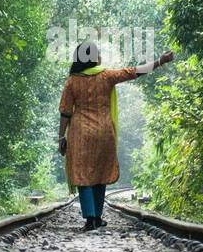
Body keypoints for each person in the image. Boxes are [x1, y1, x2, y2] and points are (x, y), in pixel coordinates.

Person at [58, 40, 174, 231]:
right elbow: (134, 72)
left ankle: (90, 218)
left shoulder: (72, 80)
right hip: (104, 131)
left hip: (79, 132)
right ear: (94, 57)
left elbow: (65, 112)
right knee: (100, 172)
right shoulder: (107, 76)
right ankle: (98, 216)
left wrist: (61, 137)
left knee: (82, 173)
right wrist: (160, 61)